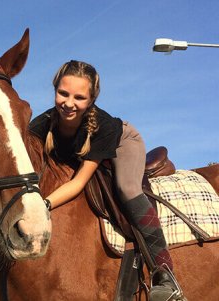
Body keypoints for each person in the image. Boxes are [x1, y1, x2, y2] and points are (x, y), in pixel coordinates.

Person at [29, 60, 184, 301]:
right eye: (63, 93)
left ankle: (165, 275)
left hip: (124, 141)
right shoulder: (41, 125)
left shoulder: (103, 127)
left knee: (127, 188)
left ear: (91, 100)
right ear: (55, 89)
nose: (69, 103)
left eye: (79, 97)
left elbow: (79, 182)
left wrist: (43, 204)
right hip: (84, 152)